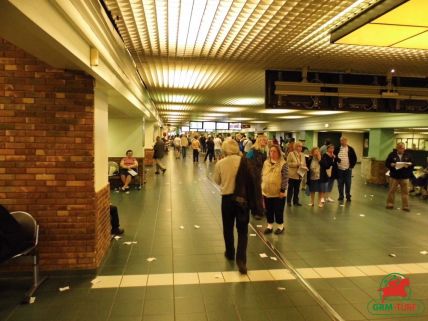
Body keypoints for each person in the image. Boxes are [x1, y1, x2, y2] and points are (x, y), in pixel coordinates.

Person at [213, 140, 254, 274]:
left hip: (227, 200)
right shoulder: (245, 162)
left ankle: (230, 252)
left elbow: (217, 181)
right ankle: (241, 261)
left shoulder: (220, 163)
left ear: (225, 149)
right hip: (243, 200)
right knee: (242, 231)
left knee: (228, 227)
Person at [261, 145, 288, 235]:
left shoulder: (283, 164)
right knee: (269, 210)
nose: (272, 153)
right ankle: (270, 226)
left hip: (278, 193)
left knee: (278, 210)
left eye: (274, 151)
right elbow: (263, 174)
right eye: (271, 151)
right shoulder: (266, 162)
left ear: (279, 153)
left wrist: (282, 190)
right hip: (266, 191)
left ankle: (280, 226)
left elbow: (285, 178)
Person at [385, 142, 414, 211]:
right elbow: (387, 163)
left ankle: (405, 206)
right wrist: (391, 165)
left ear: (404, 148)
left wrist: (409, 165)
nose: (401, 150)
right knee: (391, 191)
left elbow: (413, 164)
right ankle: (390, 204)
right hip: (394, 176)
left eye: (403, 148)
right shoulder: (392, 155)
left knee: (405, 192)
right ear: (397, 148)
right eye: (400, 148)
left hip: (404, 177)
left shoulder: (408, 155)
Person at [246, 133, 268, 219]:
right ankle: (256, 211)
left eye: (266, 140)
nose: (265, 142)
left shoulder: (264, 151)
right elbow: (246, 162)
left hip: (262, 175)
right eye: (263, 140)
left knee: (261, 193)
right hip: (254, 176)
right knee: (256, 193)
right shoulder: (252, 151)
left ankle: (260, 209)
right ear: (259, 141)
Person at [334, 136, 357, 202]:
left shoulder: (350, 149)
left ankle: (348, 196)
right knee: (340, 183)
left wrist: (351, 166)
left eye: (343, 140)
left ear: (346, 141)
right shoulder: (337, 148)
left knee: (348, 183)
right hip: (339, 169)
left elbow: (354, 158)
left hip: (348, 169)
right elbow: (334, 157)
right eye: (341, 140)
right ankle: (341, 196)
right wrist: (337, 161)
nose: (342, 142)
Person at [286, 141, 307, 206]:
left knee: (297, 189)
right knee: (290, 189)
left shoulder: (303, 155)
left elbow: (304, 163)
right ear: (295, 147)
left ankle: (296, 201)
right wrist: (297, 164)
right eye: (298, 146)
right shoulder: (291, 154)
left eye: (301, 146)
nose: (300, 148)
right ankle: (289, 201)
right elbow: (288, 163)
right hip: (292, 175)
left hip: (300, 174)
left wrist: (305, 167)